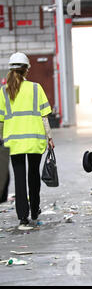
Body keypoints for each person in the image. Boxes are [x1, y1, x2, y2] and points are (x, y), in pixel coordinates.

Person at [0, 52, 54, 226]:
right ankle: (35, 209)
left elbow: (1, 121)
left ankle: (23, 216)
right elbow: (44, 117)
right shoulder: (36, 88)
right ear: (26, 70)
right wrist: (50, 137)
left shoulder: (3, 92)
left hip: (13, 142)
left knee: (20, 178)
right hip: (34, 139)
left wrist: (2, 140)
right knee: (33, 175)